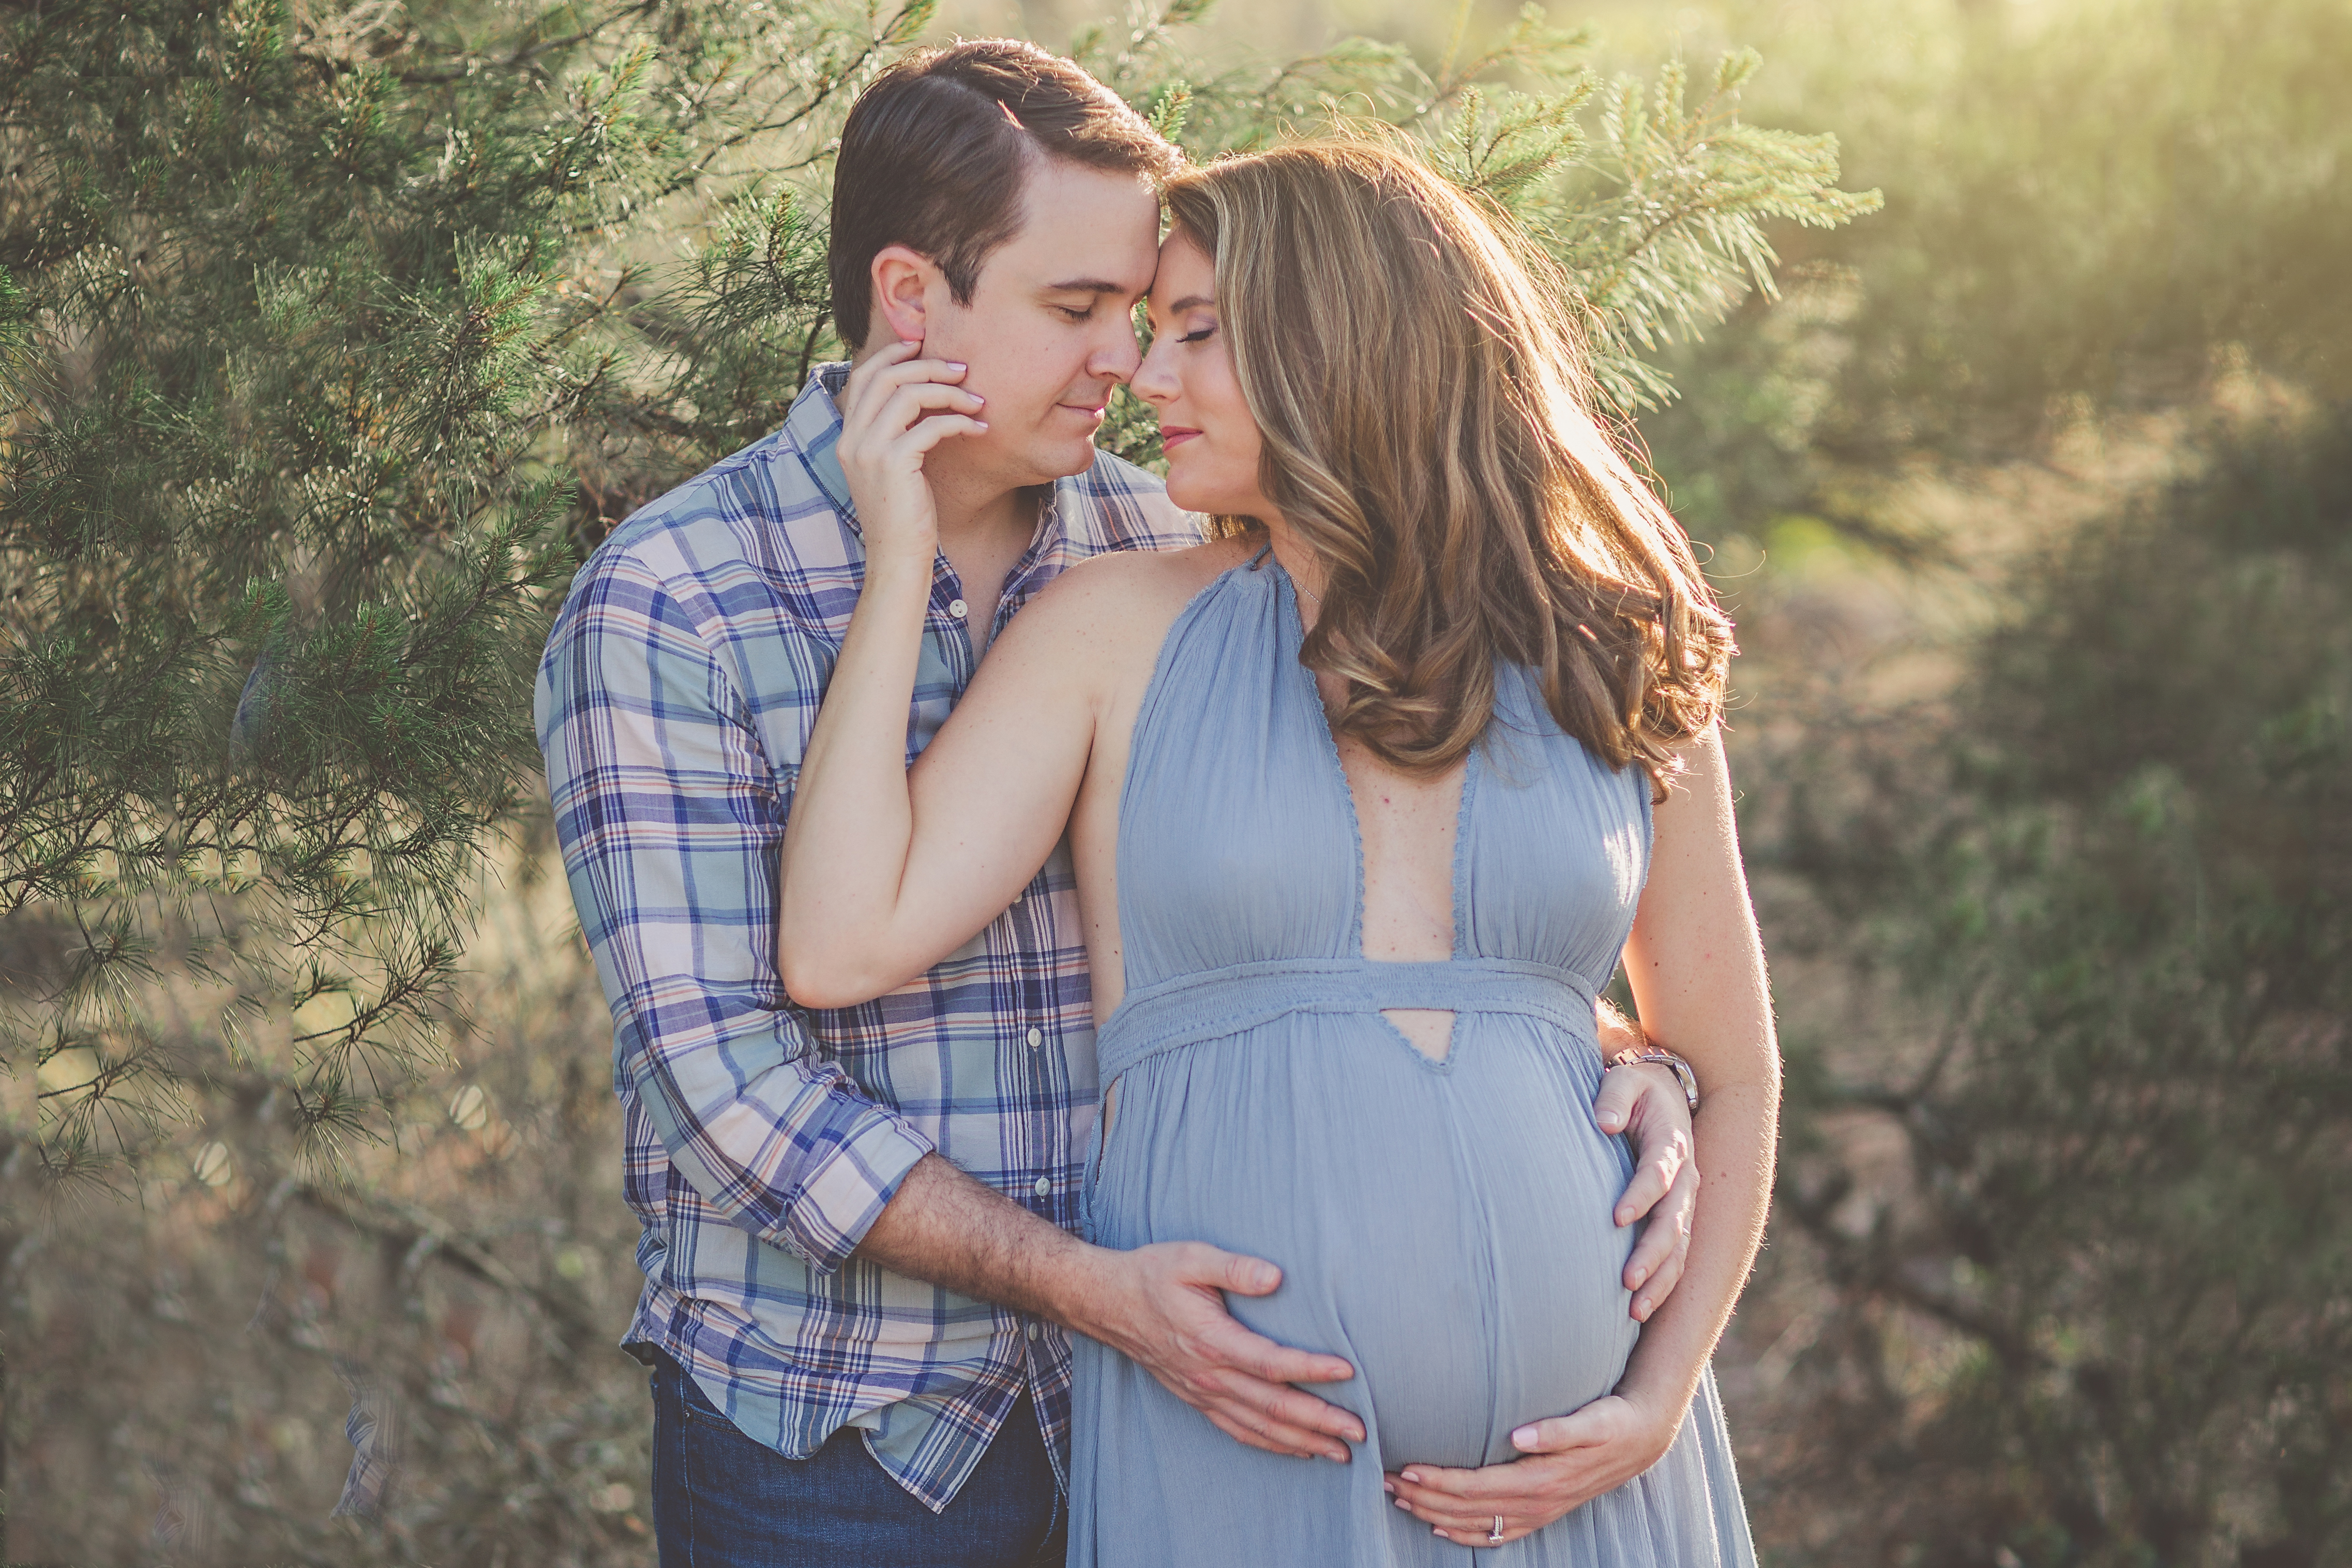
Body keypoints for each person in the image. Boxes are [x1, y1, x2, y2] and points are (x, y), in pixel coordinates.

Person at [539, 40, 1704, 1567]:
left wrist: (1625, 1066)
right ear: (912, 302)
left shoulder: (1173, 540)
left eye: (1148, 317)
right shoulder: (672, 605)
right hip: (852, 1429)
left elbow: (1361, 900)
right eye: (1076, 311)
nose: (1129, 367)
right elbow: (732, 1087)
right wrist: (1089, 1285)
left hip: (1167, 1415)